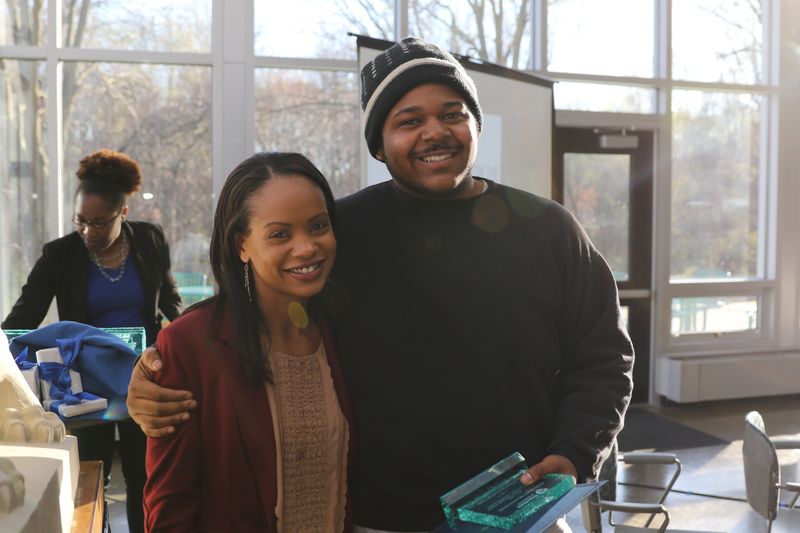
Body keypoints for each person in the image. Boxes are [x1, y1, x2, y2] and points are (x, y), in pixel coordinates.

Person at [127, 37, 634, 532]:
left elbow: (605, 358)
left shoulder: (548, 230)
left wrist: (573, 454)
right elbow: (255, 308)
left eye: (452, 113)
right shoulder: (342, 233)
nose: (435, 132)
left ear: (474, 124)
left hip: (523, 512)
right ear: (378, 144)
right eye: (409, 121)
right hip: (380, 518)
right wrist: (153, 374)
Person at [142, 152, 355, 532]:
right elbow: (169, 506)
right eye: (280, 234)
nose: (306, 248)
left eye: (318, 226)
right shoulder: (190, 344)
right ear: (242, 244)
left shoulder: (341, 330)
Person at [2, 149, 182, 533]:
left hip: (144, 375)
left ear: (123, 214)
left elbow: (171, 304)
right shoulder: (60, 255)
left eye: (99, 224)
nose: (87, 232)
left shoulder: (149, 241)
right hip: (85, 386)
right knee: (92, 478)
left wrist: (192, 345)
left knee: (145, 477)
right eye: (80, 221)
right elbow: (21, 319)